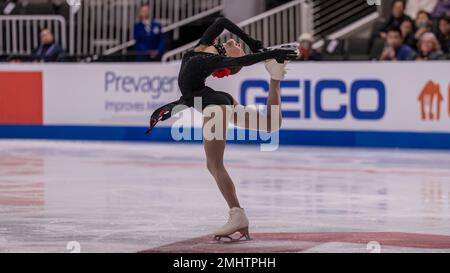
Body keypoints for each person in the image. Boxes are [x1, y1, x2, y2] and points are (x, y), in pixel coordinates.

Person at [146, 17, 298, 241]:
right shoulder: (201, 51)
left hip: (213, 106)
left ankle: (237, 214)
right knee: (271, 123)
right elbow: (221, 22)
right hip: (213, 101)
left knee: (214, 164)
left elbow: (245, 61)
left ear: (227, 59)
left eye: (239, 47)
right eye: (238, 45)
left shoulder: (204, 60)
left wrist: (268, 54)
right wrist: (253, 41)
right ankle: (275, 78)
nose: (237, 44)